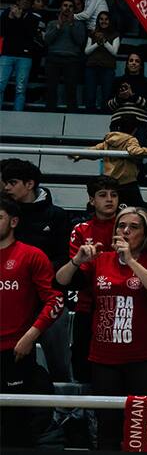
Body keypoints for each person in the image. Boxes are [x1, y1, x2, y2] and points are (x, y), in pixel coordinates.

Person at [56, 206, 147, 450]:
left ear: (146, 233)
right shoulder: (101, 260)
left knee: (142, 428)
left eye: (134, 227)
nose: (125, 231)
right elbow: (60, 281)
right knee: (107, 428)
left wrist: (130, 260)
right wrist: (77, 260)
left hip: (145, 357)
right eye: (121, 226)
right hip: (104, 357)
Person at [0, 195, 63, 449]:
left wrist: (30, 336)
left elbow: (55, 300)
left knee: (15, 426)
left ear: (14, 221)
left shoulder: (32, 256)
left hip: (15, 352)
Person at [1, 159, 73, 382]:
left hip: (47, 294)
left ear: (30, 184)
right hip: (13, 295)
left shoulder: (56, 215)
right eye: (5, 183)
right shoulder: (5, 214)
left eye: (12, 182)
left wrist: (35, 270)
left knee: (58, 361)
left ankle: (65, 400)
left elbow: (65, 257)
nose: (7, 187)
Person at [65, 176, 120, 383]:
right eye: (103, 195)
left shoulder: (128, 227)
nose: (109, 199)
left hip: (121, 304)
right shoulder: (81, 229)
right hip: (88, 304)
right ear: (91, 200)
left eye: (114, 195)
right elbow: (79, 273)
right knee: (82, 362)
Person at [42, 2, 87, 111]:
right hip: (53, 58)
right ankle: (50, 112)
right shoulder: (52, 23)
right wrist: (59, 26)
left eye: (70, 6)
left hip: (71, 59)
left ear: (74, 10)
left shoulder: (79, 25)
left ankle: (72, 113)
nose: (67, 8)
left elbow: (80, 41)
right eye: (65, 5)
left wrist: (71, 25)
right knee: (51, 88)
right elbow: (47, 40)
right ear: (60, 8)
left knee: (71, 89)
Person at [0, 0, 41, 111]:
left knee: (20, 88)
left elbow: (30, 34)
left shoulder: (33, 17)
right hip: (7, 53)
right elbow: (2, 31)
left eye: (29, 0)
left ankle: (17, 114)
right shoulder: (7, 13)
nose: (26, 2)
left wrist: (19, 19)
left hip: (25, 56)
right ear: (17, 1)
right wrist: (10, 18)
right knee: (0, 85)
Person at [82, 10, 119, 112]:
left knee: (107, 95)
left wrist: (104, 41)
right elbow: (86, 51)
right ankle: (89, 113)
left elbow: (114, 52)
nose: (104, 21)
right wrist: (97, 44)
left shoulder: (115, 35)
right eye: (101, 19)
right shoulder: (92, 33)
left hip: (108, 68)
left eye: (106, 19)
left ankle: (105, 114)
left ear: (110, 21)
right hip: (92, 67)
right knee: (90, 95)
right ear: (98, 21)